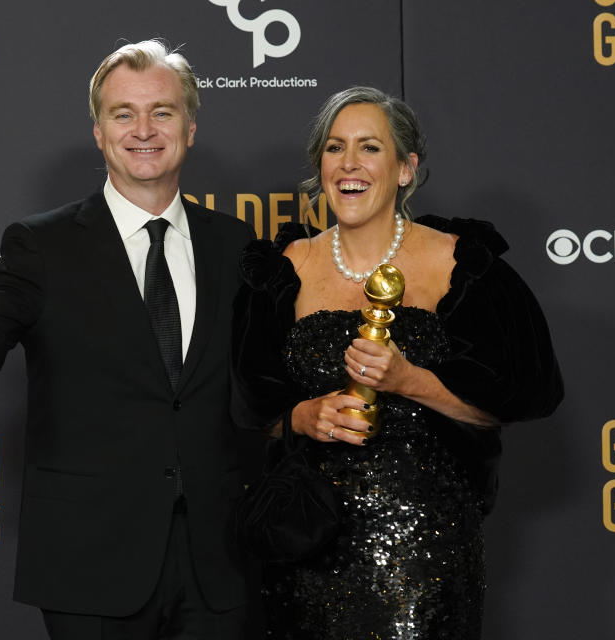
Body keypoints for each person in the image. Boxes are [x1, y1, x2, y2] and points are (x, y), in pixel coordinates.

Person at [0, 40, 255, 640]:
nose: (143, 129)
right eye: (123, 114)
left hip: (219, 557)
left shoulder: (235, 242)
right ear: (98, 131)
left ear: (190, 128)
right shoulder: (41, 243)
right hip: (89, 557)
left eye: (162, 112)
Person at [231, 86, 563, 639]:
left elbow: (514, 400)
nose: (350, 164)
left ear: (406, 169)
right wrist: (301, 417)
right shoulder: (283, 267)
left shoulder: (461, 264)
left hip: (425, 545)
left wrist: (410, 380)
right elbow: (248, 402)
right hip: (305, 539)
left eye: (370, 148)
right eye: (335, 148)